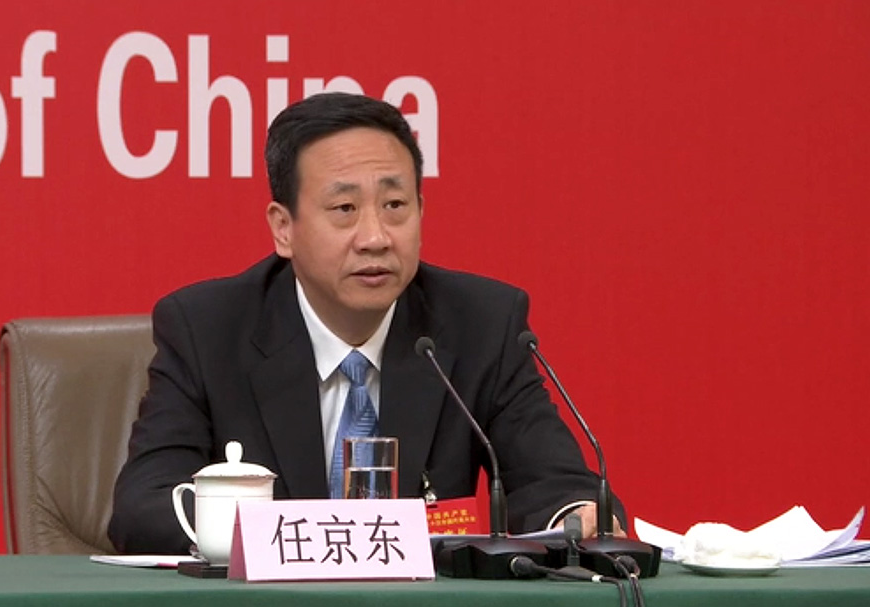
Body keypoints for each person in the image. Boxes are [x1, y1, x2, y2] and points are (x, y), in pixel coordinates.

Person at [108, 92, 624, 555]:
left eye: (395, 205)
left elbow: (553, 482)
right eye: (344, 208)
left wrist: (576, 516)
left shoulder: (481, 324)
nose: (375, 237)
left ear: (421, 210)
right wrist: (291, 542)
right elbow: (144, 505)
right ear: (283, 228)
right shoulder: (206, 329)